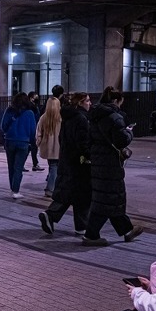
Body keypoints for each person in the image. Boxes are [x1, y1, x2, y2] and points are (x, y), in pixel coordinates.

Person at [82, 86, 143, 246]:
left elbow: (89, 141)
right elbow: (121, 140)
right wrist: (129, 132)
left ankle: (127, 230)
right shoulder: (114, 117)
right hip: (110, 163)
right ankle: (91, 235)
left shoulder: (93, 116)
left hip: (98, 162)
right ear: (116, 100)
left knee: (107, 197)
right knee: (109, 198)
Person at [38, 92, 92, 236]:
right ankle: (56, 216)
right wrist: (88, 155)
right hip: (79, 163)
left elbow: (63, 139)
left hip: (67, 160)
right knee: (82, 195)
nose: (90, 103)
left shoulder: (68, 118)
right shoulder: (82, 119)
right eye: (87, 101)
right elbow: (83, 142)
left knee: (72, 193)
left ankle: (78, 225)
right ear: (80, 103)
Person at [0, 92, 36, 199]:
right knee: (18, 167)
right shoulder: (29, 113)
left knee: (11, 166)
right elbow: (33, 131)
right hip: (23, 143)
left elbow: (3, 127)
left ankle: (13, 189)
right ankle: (16, 190)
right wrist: (31, 142)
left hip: (10, 141)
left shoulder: (9, 111)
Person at [35, 97, 62, 197]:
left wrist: (38, 143)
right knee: (55, 167)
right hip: (58, 148)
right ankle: (50, 189)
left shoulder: (43, 117)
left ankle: (51, 187)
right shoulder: (60, 118)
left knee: (52, 167)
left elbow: (38, 133)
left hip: (47, 148)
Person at [27, 91, 43, 171]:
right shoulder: (30, 107)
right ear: (31, 98)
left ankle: (35, 164)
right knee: (32, 147)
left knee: (33, 147)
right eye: (35, 97)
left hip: (35, 128)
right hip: (32, 129)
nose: (37, 99)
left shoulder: (34, 106)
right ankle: (35, 164)